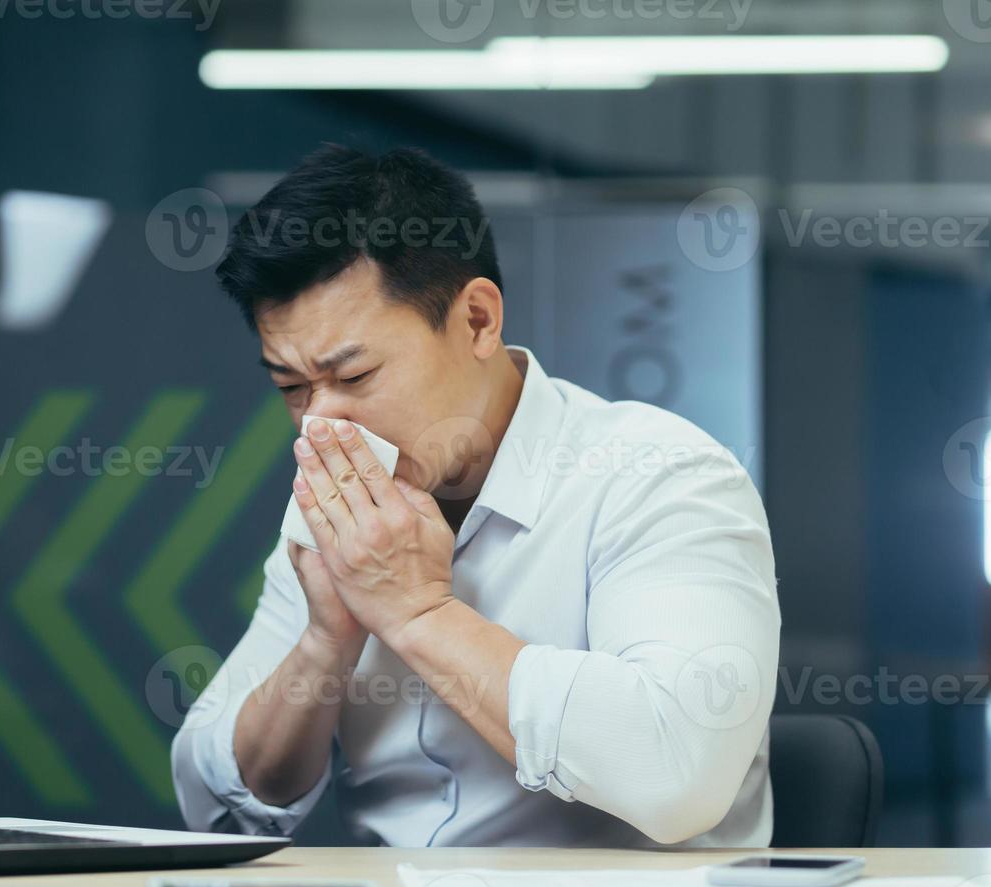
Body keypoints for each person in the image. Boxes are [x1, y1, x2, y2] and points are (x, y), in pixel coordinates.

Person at [170, 144, 779, 846]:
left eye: (356, 375)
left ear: (478, 322)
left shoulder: (659, 476)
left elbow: (679, 775)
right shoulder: (341, 515)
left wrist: (418, 613)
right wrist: (323, 643)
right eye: (290, 387)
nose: (320, 423)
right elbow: (216, 805)